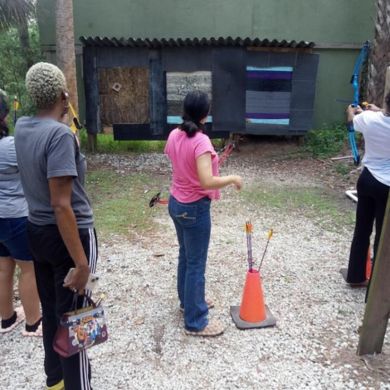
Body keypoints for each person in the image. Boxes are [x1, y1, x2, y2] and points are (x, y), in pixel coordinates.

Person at [14, 62, 97, 390]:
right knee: (76, 317)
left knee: (52, 313)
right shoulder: (60, 135)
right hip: (68, 236)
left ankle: (56, 381)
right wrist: (81, 262)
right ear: (64, 94)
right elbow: (62, 204)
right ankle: (79, 385)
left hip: (37, 231)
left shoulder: (22, 127)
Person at [165, 91, 243, 337]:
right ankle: (196, 321)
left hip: (177, 204)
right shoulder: (200, 141)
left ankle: (188, 302)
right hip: (194, 208)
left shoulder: (174, 134)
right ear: (205, 114)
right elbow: (206, 181)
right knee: (195, 263)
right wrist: (232, 178)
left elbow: (179, 161)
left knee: (186, 257)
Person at [0, 89, 42, 336]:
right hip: (15, 215)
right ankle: (33, 322)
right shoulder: (9, 146)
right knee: (29, 268)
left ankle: (6, 318)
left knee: (4, 267)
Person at [345, 93, 390, 287]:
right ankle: (376, 285)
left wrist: (351, 110)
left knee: (362, 230)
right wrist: (377, 111)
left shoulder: (369, 119)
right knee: (382, 234)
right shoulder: (373, 116)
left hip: (367, 179)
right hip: (386, 187)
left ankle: (355, 276)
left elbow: (352, 122)